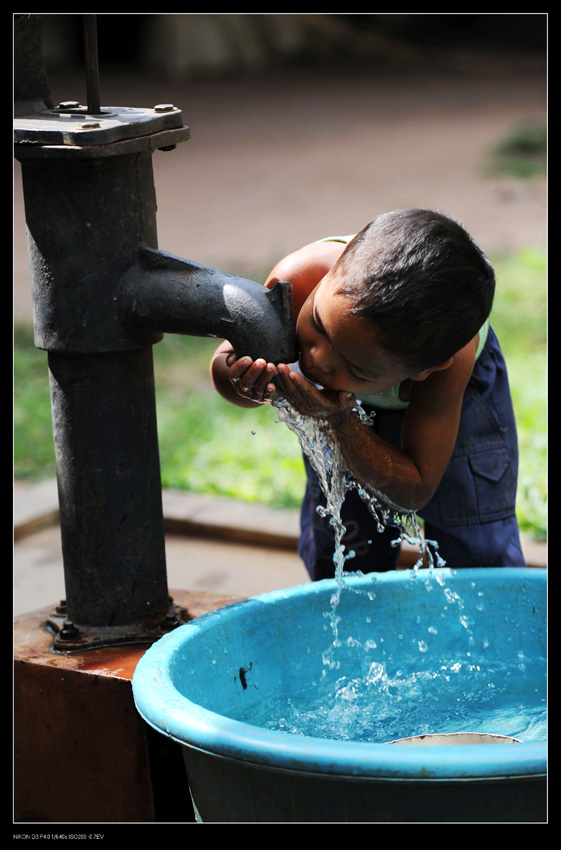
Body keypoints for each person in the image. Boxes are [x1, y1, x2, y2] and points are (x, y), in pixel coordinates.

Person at [210, 209, 526, 579]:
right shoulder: (298, 280)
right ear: (332, 273)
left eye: (353, 366)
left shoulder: (450, 366)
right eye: (317, 324)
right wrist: (240, 380)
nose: (317, 360)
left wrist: (341, 423)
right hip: (347, 401)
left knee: (475, 541)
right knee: (345, 541)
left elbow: (416, 488)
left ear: (422, 371)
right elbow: (223, 363)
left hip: (458, 401)